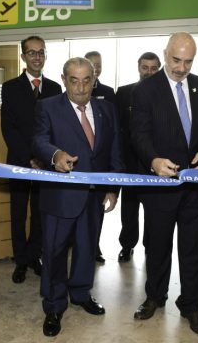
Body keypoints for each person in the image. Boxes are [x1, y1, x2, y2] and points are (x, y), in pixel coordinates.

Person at [131, 32, 198, 336]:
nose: (182, 67)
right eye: (176, 60)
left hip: (196, 187)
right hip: (160, 185)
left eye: (189, 61)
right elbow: (138, 134)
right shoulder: (146, 90)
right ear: (165, 54)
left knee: (194, 249)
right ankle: (154, 296)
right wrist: (154, 160)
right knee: (157, 246)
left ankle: (191, 304)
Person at [32, 57, 123, 337]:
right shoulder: (47, 106)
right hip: (60, 196)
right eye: (74, 80)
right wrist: (55, 155)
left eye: (87, 80)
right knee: (55, 252)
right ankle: (54, 305)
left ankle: (81, 293)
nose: (81, 87)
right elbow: (38, 140)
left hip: (94, 197)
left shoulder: (107, 108)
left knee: (87, 249)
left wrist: (112, 186)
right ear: (63, 79)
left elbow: (114, 149)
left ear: (94, 80)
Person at [1, 36, 62, 284]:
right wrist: (29, 157)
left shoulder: (55, 89)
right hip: (18, 161)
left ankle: (35, 255)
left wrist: (42, 157)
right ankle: (20, 261)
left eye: (41, 52)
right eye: (31, 53)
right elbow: (9, 129)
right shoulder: (10, 87)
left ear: (45, 55)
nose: (36, 57)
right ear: (23, 56)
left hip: (45, 164)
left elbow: (55, 130)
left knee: (39, 213)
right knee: (18, 212)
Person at [115, 51, 161, 262]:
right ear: (138, 67)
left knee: (153, 211)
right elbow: (117, 130)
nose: (149, 72)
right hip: (131, 162)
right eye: (145, 68)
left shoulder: (166, 94)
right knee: (129, 210)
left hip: (156, 165)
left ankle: (151, 247)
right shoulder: (123, 93)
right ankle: (127, 245)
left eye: (153, 68)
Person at [84, 50, 117, 263]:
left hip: (101, 168)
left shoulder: (108, 92)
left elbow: (114, 132)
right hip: (79, 167)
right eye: (91, 64)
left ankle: (94, 246)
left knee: (97, 212)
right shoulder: (71, 92)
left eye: (98, 64)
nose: (96, 67)